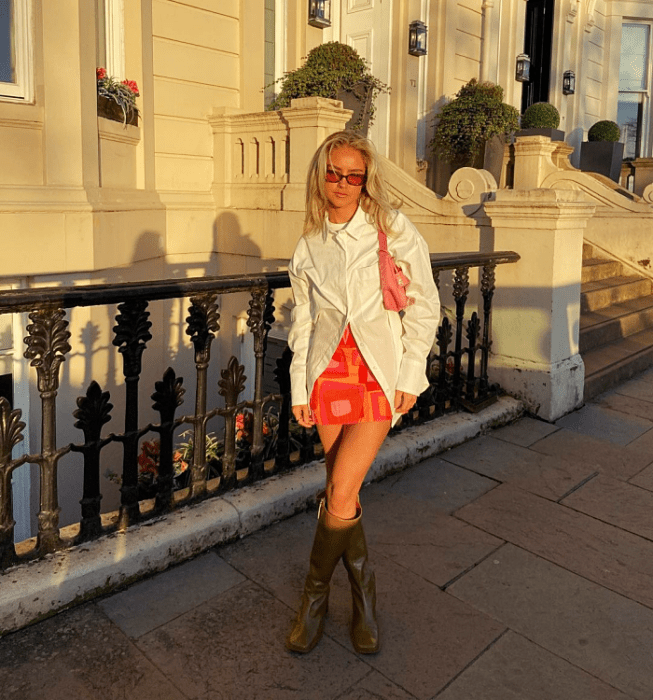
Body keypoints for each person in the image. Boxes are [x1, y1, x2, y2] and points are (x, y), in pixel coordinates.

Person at [285, 130, 440, 654]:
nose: (344, 184)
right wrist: (299, 387)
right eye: (335, 173)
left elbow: (424, 304)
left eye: (354, 175)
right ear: (320, 175)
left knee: (343, 492)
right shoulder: (309, 245)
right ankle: (362, 600)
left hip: (376, 371)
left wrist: (410, 375)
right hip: (328, 374)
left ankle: (313, 599)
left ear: (366, 179)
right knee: (340, 496)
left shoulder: (391, 229)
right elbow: (302, 322)